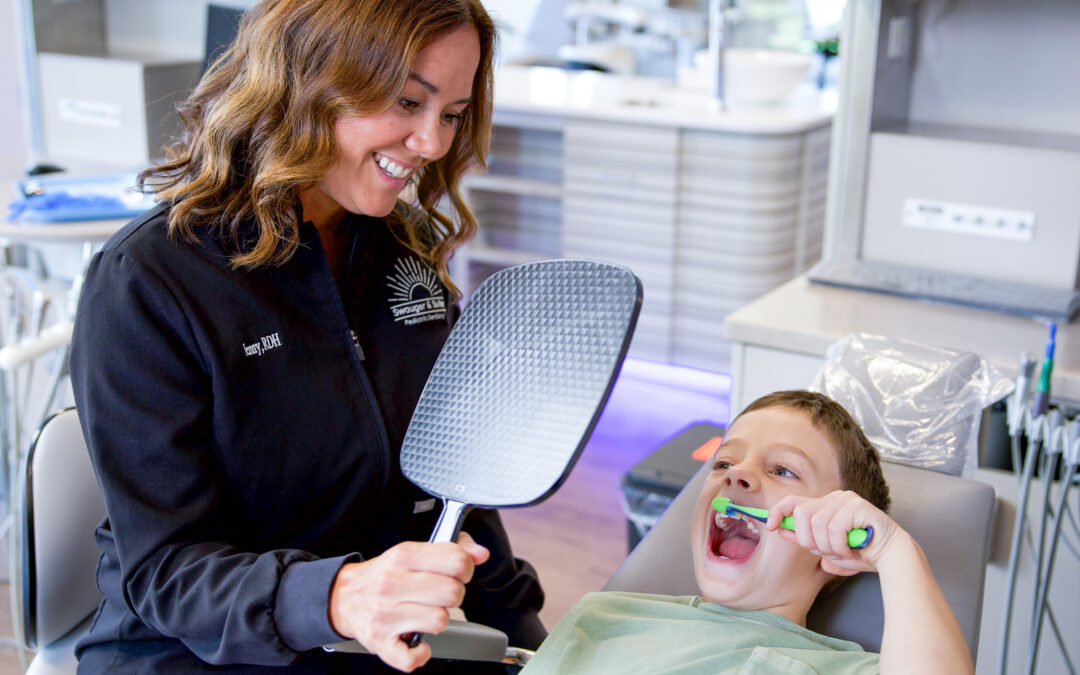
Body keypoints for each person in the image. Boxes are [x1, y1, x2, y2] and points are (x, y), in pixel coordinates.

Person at [68, 1, 545, 672]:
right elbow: (166, 570)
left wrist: (532, 638)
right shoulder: (149, 282)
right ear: (308, 78)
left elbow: (454, 480)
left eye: (453, 114)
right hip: (189, 651)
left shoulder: (400, 250)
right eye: (408, 100)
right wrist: (336, 597)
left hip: (367, 644)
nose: (434, 142)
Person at [520, 390, 975, 674]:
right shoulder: (608, 617)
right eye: (723, 463)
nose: (737, 475)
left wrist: (894, 551)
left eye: (782, 470)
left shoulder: (843, 668)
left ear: (830, 541)